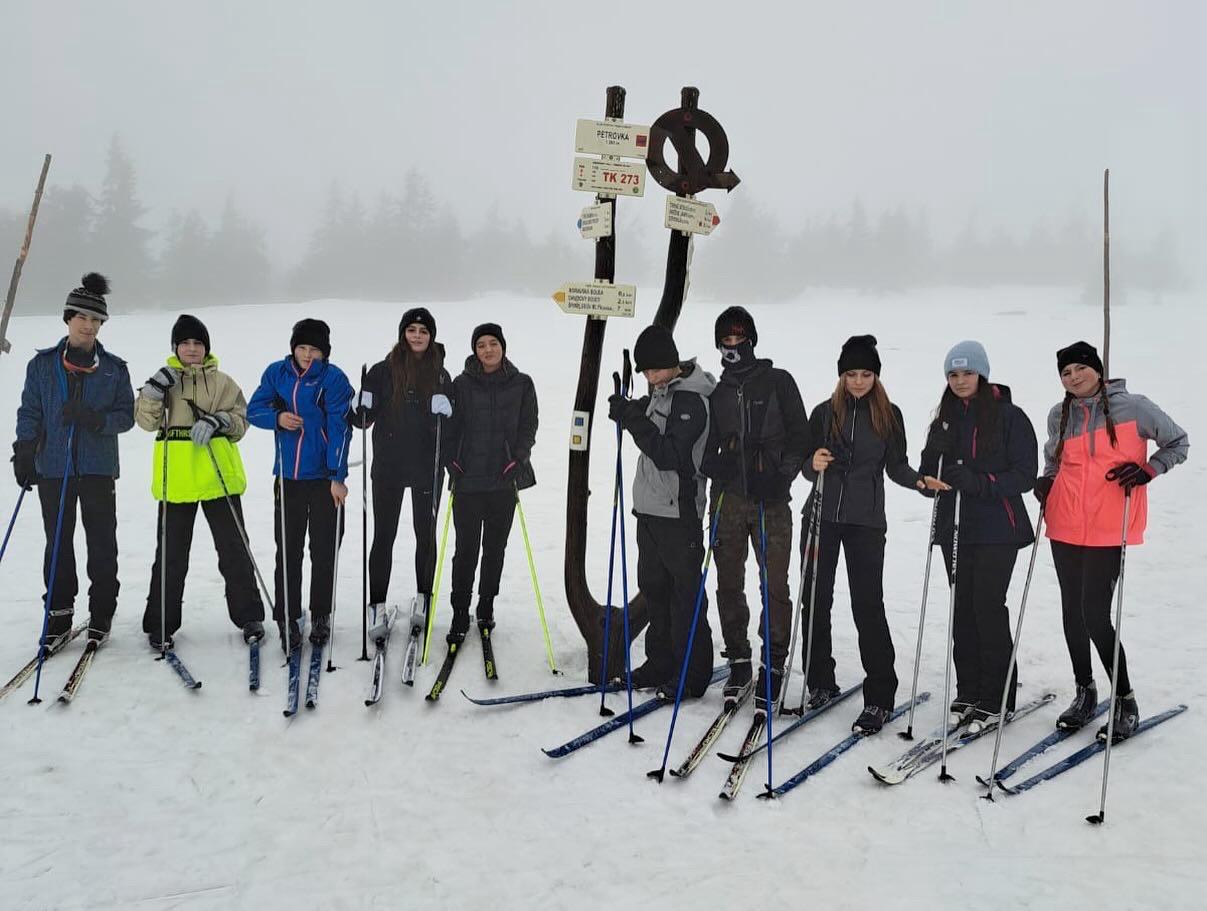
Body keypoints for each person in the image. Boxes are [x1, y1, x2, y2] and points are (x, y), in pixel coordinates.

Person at [1035, 340, 1188, 740]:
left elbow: (1178, 442)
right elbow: (1054, 459)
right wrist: (1046, 482)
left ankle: (1125, 699)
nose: (1073, 377)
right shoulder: (1060, 414)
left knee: (1094, 614)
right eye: (1066, 373)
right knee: (1072, 611)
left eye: (1080, 369)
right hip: (1064, 521)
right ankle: (1085, 692)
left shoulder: (1133, 407)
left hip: (1109, 524)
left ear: (1097, 369)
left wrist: (1149, 470)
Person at [800, 335, 946, 733]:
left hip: (866, 523)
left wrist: (918, 482)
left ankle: (879, 696)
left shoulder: (888, 414)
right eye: (852, 374)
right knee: (814, 603)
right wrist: (813, 463)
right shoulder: (823, 412)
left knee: (868, 606)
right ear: (841, 376)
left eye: (866, 374)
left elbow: (896, 465)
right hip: (821, 518)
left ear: (876, 376)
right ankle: (820, 683)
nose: (859, 381)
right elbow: (805, 466)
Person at [920, 340, 1037, 730]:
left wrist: (977, 481)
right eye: (953, 374)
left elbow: (1023, 474)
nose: (960, 381)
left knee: (987, 606)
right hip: (955, 527)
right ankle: (969, 688)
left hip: (998, 527)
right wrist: (930, 470)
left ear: (982, 374)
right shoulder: (945, 420)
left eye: (967, 373)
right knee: (963, 609)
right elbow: (929, 475)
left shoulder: (1009, 416)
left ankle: (997, 695)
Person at [12, 273, 134, 646]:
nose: (89, 326)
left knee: (101, 543)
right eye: (82, 317)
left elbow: (126, 416)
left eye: (96, 320)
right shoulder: (43, 365)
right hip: (53, 467)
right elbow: (30, 410)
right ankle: (59, 614)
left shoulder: (114, 367)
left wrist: (96, 420)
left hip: (97, 468)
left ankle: (101, 613)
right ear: (68, 318)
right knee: (58, 543)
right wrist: (24, 451)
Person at [134, 314, 266, 649]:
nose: (192, 349)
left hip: (218, 476)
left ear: (206, 348)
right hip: (176, 480)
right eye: (185, 343)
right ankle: (161, 623)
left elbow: (242, 420)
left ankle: (249, 616)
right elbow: (146, 423)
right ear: (175, 347)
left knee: (234, 550)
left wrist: (220, 420)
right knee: (171, 554)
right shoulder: (164, 380)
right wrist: (151, 393)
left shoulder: (223, 382)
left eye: (198, 343)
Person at [701, 306, 810, 711]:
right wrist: (715, 463)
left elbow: (801, 437)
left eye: (739, 339)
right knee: (728, 582)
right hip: (728, 499)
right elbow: (706, 445)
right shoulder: (718, 393)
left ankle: (775, 663)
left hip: (771, 500)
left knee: (774, 585)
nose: (733, 347)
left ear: (751, 341)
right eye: (726, 341)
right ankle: (739, 659)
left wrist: (782, 476)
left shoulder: (778, 382)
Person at [607, 325, 716, 698]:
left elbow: (671, 455)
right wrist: (628, 409)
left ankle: (693, 672)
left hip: (679, 512)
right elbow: (649, 418)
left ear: (672, 363)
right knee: (654, 588)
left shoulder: (691, 400)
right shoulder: (662, 392)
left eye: (656, 369)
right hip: (650, 509)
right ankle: (661, 662)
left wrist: (633, 420)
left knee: (686, 595)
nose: (651, 378)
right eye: (646, 372)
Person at [247, 318, 354, 651]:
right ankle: (288, 617)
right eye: (302, 347)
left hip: (324, 480)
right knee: (288, 551)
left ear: (324, 352)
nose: (308, 355)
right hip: (288, 479)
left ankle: (320, 613)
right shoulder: (276, 373)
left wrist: (338, 477)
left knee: (324, 550)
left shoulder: (333, 379)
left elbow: (341, 428)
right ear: (293, 347)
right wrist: (277, 418)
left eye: (315, 349)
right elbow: (254, 410)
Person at [351, 308, 452, 620]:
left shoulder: (440, 373)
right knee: (383, 535)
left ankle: (424, 595)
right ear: (403, 334)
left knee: (426, 534)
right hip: (388, 468)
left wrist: (448, 411)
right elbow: (360, 421)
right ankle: (377, 602)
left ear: (431, 336)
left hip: (426, 468)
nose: (417, 336)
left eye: (423, 331)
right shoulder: (382, 371)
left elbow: (452, 423)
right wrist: (360, 407)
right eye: (412, 330)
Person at [443, 323, 537, 642]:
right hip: (468, 481)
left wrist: (519, 458)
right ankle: (459, 610)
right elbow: (450, 427)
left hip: (502, 481)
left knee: (495, 548)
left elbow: (529, 425)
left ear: (503, 346)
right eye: (481, 345)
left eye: (492, 343)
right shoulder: (461, 384)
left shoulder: (522, 384)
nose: (487, 350)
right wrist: (450, 461)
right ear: (475, 350)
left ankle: (486, 605)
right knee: (465, 550)